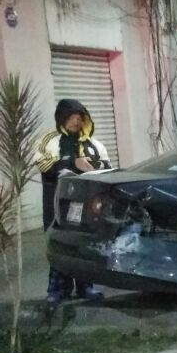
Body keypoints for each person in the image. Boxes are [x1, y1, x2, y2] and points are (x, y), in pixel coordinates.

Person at [36, 99, 110, 304]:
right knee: (59, 244)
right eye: (71, 117)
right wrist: (71, 162)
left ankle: (86, 287)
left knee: (84, 246)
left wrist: (94, 165)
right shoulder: (50, 141)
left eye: (79, 118)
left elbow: (107, 165)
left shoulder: (94, 144)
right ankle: (58, 290)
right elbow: (42, 164)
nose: (76, 122)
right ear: (62, 118)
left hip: (85, 205)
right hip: (57, 204)